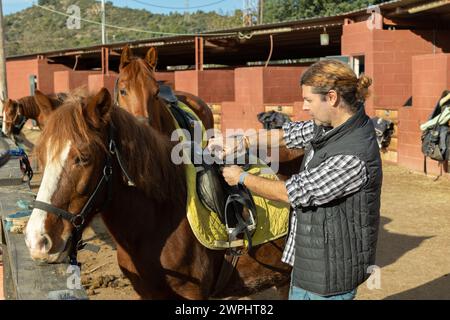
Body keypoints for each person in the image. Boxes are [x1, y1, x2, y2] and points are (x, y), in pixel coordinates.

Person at [208, 59, 382, 300]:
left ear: (331, 98)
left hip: (331, 275)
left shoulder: (353, 154)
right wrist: (243, 141)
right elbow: (289, 134)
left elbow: (294, 192)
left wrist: (242, 177)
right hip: (310, 263)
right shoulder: (330, 126)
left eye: (309, 100)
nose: (305, 106)